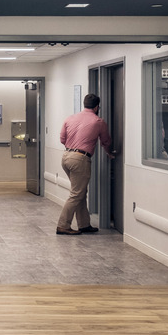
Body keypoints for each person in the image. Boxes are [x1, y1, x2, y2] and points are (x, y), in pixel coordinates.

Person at [56, 93, 116, 234]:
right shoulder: (98, 122)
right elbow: (106, 141)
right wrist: (109, 152)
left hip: (66, 156)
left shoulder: (70, 118)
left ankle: (84, 224)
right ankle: (63, 225)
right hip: (80, 158)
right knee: (77, 194)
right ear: (96, 107)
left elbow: (62, 139)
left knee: (81, 192)